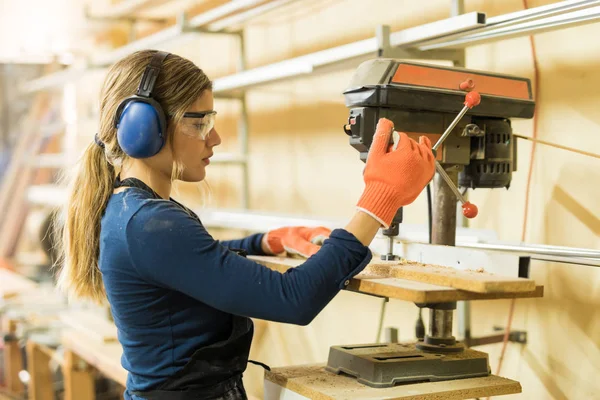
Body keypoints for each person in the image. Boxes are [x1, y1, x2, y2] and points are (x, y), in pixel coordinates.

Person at [55, 50, 434, 400]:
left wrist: (262, 242)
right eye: (199, 122)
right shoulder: (150, 223)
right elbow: (293, 299)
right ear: (145, 127)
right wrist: (378, 200)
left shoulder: (134, 210)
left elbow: (195, 262)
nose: (214, 138)